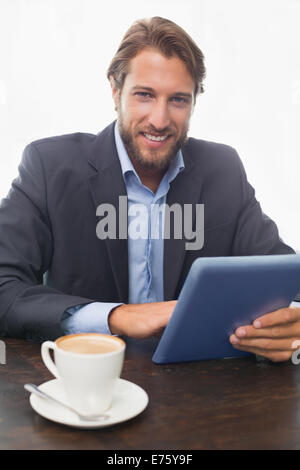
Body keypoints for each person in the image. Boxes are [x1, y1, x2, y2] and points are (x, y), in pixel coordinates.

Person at [0, 16, 299, 362]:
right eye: (145, 95)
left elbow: (284, 274)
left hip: (199, 391)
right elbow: (5, 286)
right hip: (85, 385)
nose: (159, 119)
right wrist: (117, 316)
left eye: (178, 100)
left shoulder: (224, 169)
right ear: (115, 89)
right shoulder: (49, 166)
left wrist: (292, 318)